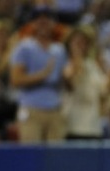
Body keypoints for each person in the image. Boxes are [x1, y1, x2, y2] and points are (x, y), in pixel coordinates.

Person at [9, 6, 68, 143]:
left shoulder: (59, 50)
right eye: (39, 20)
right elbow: (15, 80)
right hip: (31, 108)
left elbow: (63, 80)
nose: (44, 24)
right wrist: (42, 75)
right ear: (33, 24)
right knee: (32, 155)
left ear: (53, 24)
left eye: (47, 20)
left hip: (55, 108)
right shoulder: (25, 47)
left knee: (55, 157)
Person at [62, 25, 107, 140]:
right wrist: (77, 57)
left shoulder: (92, 65)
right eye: (77, 42)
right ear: (69, 43)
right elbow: (71, 83)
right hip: (73, 127)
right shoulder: (65, 63)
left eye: (84, 43)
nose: (81, 46)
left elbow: (104, 91)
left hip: (93, 126)